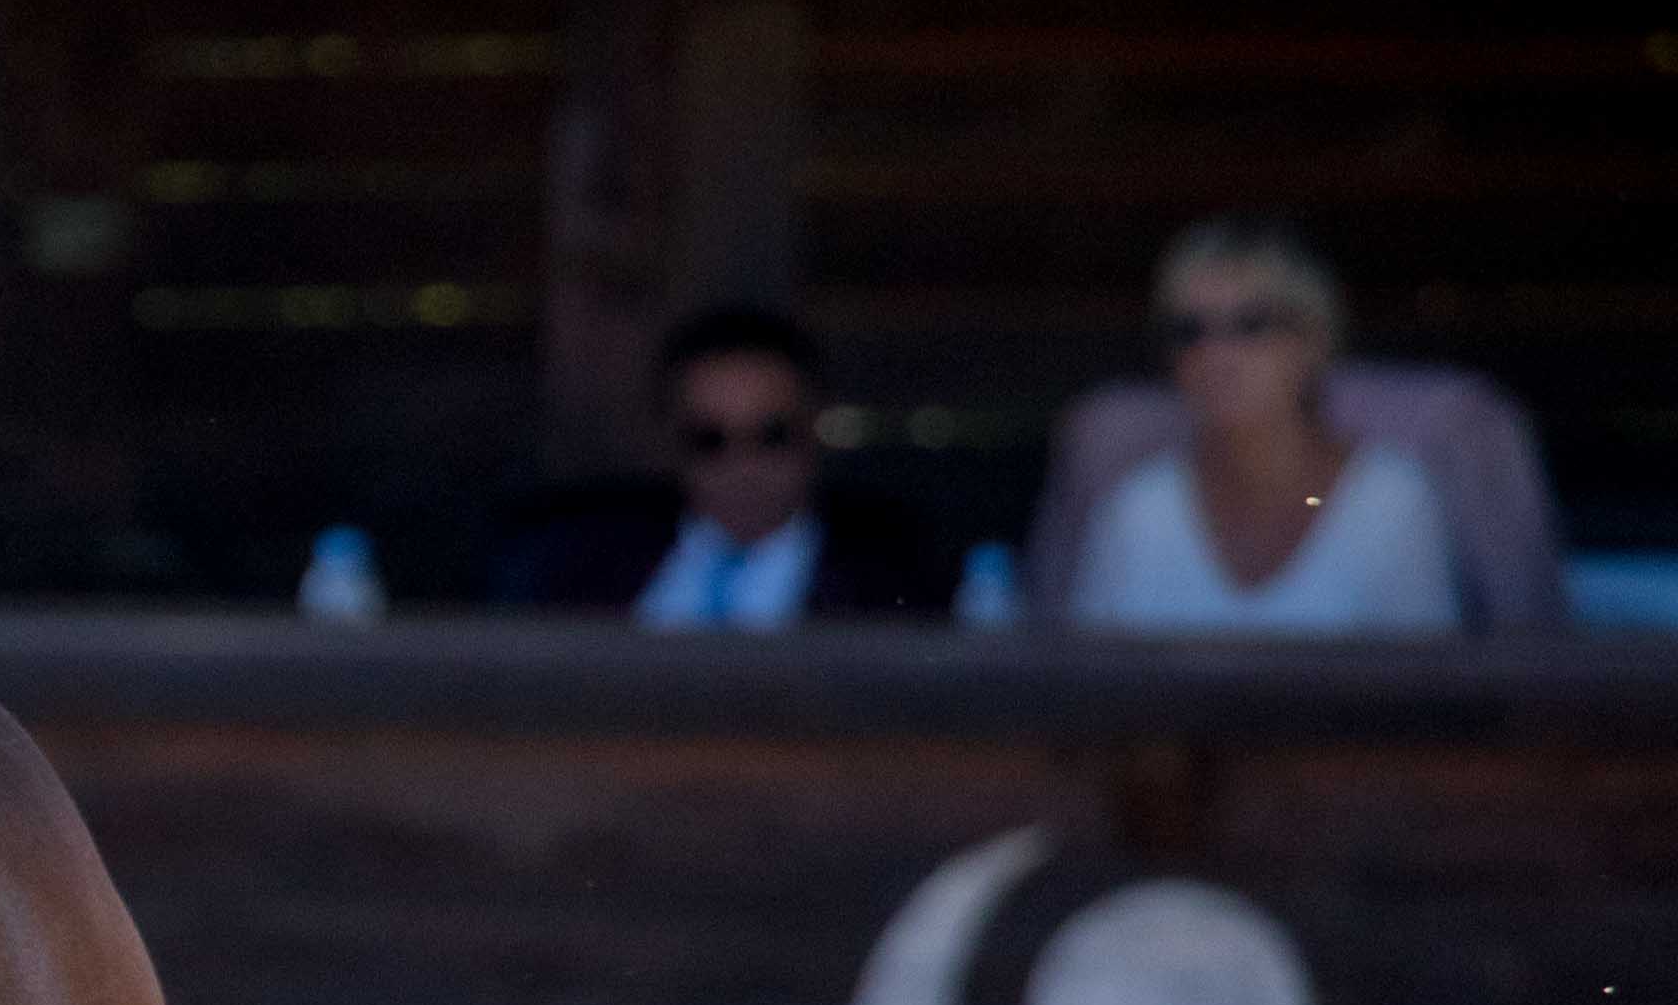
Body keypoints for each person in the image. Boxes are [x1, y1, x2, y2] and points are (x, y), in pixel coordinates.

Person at [1032, 218, 1566, 635]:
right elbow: (1088, 698)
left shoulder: (1393, 501)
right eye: (1189, 331)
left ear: (1314, 339)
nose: (1217, 354)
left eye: (1251, 325)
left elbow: (1424, 703)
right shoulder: (1135, 509)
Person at [479, 307, 956, 625]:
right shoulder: (568, 570)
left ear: (814, 432)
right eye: (708, 439)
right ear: (668, 442)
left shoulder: (901, 586)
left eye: (772, 435)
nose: (742, 464)